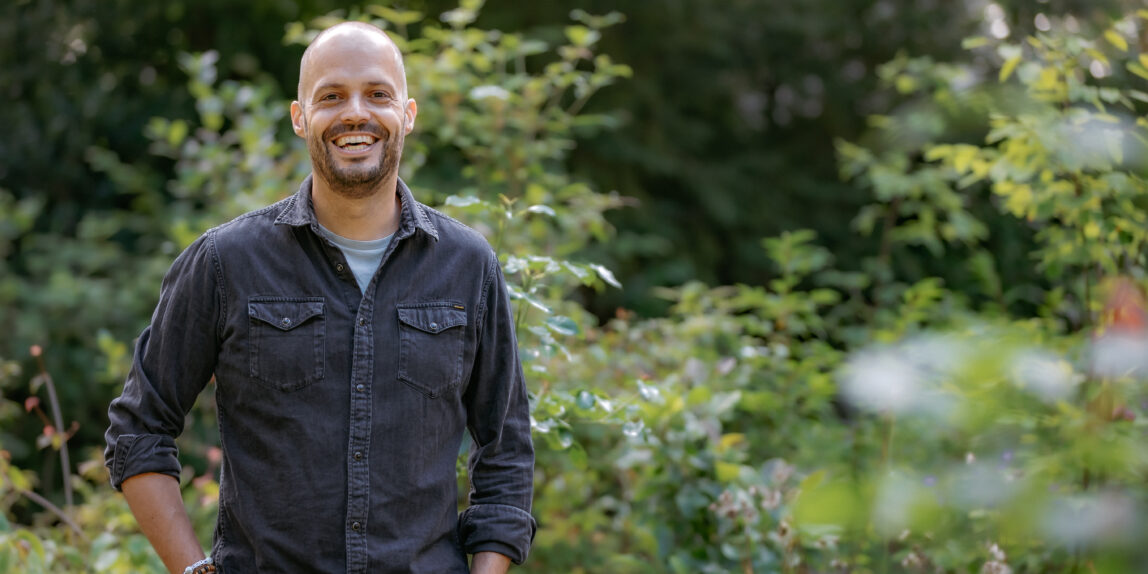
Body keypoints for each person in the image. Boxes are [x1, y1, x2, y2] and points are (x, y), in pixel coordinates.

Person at [104, 21, 535, 574]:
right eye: (331, 96)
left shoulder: (468, 266)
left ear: (407, 114)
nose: (355, 113)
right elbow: (139, 428)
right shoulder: (225, 262)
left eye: (377, 94)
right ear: (299, 117)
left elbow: (505, 451)